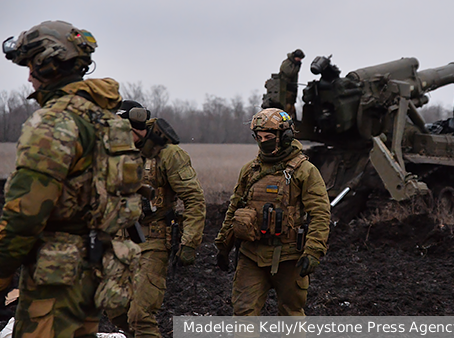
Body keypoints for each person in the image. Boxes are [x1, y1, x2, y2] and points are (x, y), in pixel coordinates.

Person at [0, 20, 131, 337]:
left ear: (46, 66)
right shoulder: (103, 118)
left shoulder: (54, 122)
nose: (29, 77)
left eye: (32, 66)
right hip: (97, 268)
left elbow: (24, 215)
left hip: (55, 278)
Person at [214, 108, 330, 316]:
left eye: (269, 137)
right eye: (259, 137)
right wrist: (224, 245)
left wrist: (313, 251)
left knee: (291, 314)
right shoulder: (250, 170)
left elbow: (320, 214)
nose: (263, 141)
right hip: (251, 255)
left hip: (289, 257)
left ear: (285, 137)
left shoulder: (306, 171)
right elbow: (234, 208)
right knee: (243, 313)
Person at [110, 100, 206, 337]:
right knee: (114, 308)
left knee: (139, 315)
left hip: (153, 242)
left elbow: (194, 199)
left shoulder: (169, 154)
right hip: (120, 242)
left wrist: (190, 242)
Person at [279, 49, 305, 119]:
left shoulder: (294, 64)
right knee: (287, 108)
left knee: (291, 107)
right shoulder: (287, 63)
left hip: (291, 89)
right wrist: (296, 66)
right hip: (285, 89)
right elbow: (289, 73)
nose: (299, 60)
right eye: (299, 58)